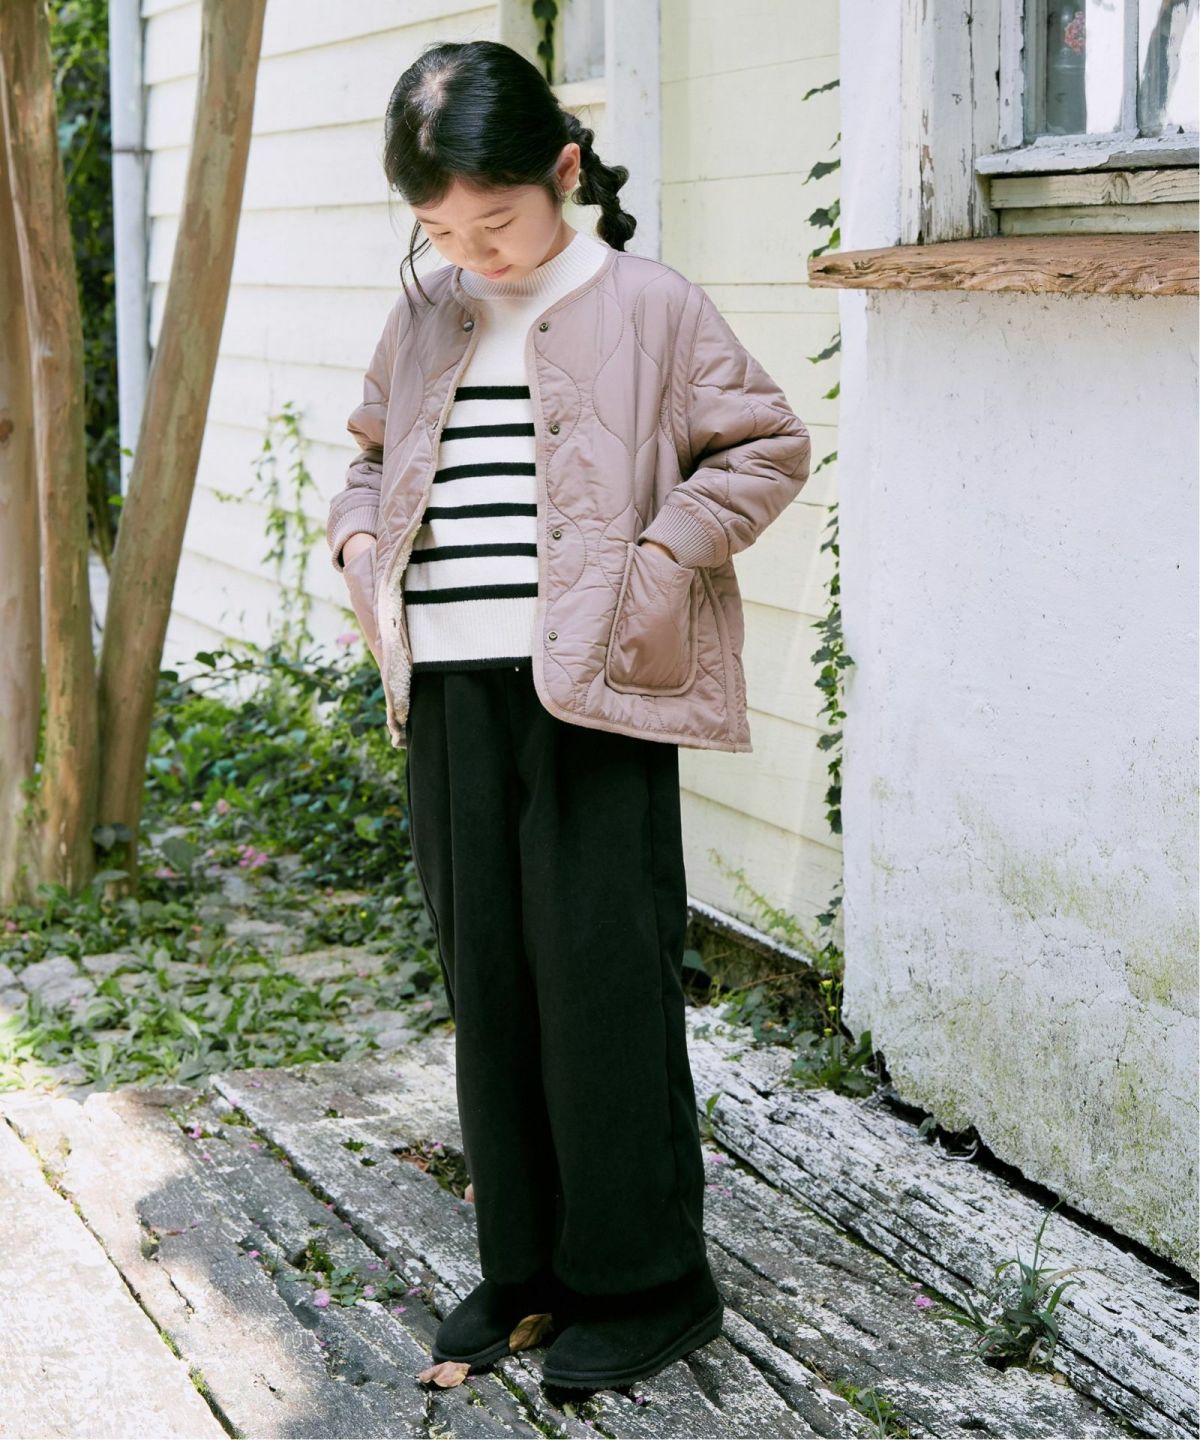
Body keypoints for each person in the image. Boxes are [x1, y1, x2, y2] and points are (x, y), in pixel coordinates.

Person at [326, 38, 811, 1392]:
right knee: (492, 982)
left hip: (598, 697)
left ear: (565, 170)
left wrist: (659, 560)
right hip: (449, 694)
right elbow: (368, 459)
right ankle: (527, 1267)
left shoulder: (650, 305)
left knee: (602, 984)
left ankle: (648, 1283)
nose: (472, 251)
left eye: (496, 220)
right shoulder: (425, 313)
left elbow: (767, 446)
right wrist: (360, 547)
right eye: (440, 229)